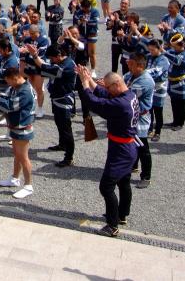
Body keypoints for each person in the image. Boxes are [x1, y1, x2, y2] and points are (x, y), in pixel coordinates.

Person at [76, 67, 139, 238]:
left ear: (117, 84)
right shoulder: (129, 95)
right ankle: (122, 214)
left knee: (106, 186)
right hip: (127, 147)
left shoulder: (121, 104)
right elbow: (104, 95)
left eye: (109, 87)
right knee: (124, 182)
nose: (107, 90)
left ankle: (113, 225)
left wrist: (84, 83)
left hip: (121, 150)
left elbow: (96, 103)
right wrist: (89, 79)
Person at [0, 66, 36, 198]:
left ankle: (28, 186)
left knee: (23, 157)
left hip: (23, 128)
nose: (8, 84)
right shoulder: (16, 87)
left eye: (8, 81)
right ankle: (14, 178)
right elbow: (6, 97)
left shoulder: (25, 91)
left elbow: (10, 106)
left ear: (14, 78)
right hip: (15, 126)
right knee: (17, 155)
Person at [35, 44, 78, 168]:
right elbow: (46, 68)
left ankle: (69, 157)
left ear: (59, 55)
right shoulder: (62, 62)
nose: (51, 61)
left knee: (66, 129)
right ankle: (62, 144)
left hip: (64, 100)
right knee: (59, 124)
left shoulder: (68, 65)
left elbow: (46, 68)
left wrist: (34, 56)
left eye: (52, 58)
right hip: (57, 97)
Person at [123, 54, 155, 189]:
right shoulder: (131, 75)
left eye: (131, 64)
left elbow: (126, 95)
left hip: (140, 118)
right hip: (131, 117)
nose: (128, 66)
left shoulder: (146, 80)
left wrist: (109, 87)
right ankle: (133, 166)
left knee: (143, 148)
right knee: (131, 144)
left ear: (140, 66)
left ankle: (146, 176)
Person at [163, 34, 185, 131]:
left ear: (181, 45)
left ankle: (180, 123)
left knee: (181, 104)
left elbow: (177, 61)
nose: (174, 48)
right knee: (174, 102)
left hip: (182, 83)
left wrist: (164, 52)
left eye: (175, 46)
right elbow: (167, 51)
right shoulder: (174, 52)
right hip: (172, 82)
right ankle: (175, 121)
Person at [144, 39, 169, 142]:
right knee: (148, 110)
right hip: (149, 86)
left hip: (159, 87)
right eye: (149, 49)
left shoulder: (163, 60)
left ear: (159, 49)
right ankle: (149, 129)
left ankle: (157, 132)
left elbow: (156, 71)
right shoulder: (148, 57)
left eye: (153, 50)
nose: (151, 52)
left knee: (158, 110)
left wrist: (143, 72)